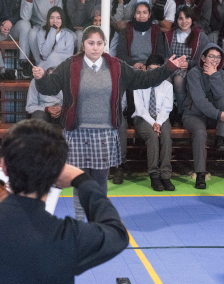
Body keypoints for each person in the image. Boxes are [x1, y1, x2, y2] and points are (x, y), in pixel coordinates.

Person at [33, 25, 185, 220]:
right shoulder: (70, 65)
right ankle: (81, 222)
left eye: (99, 43)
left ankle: (98, 220)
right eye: (91, 43)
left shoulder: (116, 66)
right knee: (80, 181)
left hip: (104, 133)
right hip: (76, 133)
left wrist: (169, 68)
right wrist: (42, 77)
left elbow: (145, 79)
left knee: (99, 182)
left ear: (104, 44)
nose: (95, 47)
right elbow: (49, 87)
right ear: (83, 45)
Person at [0, 118, 129, 284]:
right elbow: (117, 233)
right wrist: (82, 179)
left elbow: (10, 223)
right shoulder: (67, 237)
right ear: (57, 173)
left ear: (3, 166)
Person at [182, 43, 224, 189]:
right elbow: (199, 100)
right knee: (200, 133)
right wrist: (217, 114)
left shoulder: (221, 74)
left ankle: (220, 139)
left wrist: (214, 76)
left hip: (213, 117)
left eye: (218, 57)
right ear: (203, 58)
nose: (215, 60)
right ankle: (200, 174)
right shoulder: (194, 73)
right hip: (194, 115)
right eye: (212, 56)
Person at [156, 6, 209, 121]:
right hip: (171, 67)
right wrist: (168, 62)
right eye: (180, 18)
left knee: (178, 80)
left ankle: (181, 111)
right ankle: (166, 113)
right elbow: (162, 54)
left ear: (192, 19)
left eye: (187, 17)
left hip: (189, 68)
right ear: (176, 20)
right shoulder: (169, 35)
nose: (184, 21)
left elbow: (206, 58)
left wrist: (189, 64)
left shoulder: (200, 36)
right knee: (166, 80)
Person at [132, 54, 175, 191]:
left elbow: (167, 108)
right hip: (143, 117)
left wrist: (159, 122)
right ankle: (154, 175)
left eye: (157, 70)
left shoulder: (167, 85)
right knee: (152, 137)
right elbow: (140, 108)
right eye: (151, 69)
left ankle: (166, 175)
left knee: (166, 137)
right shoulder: (138, 83)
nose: (154, 73)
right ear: (145, 69)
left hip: (161, 117)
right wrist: (153, 123)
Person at [0, 0, 32, 79]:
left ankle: (24, 62)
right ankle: (2, 70)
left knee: (25, 24)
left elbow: (21, 14)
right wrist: (0, 26)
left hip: (14, 27)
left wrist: (11, 21)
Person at [117, 2, 159, 70]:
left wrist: (147, 66)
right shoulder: (125, 31)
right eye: (138, 13)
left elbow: (160, 53)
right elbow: (121, 54)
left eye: (145, 13)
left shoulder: (156, 31)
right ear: (134, 15)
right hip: (130, 68)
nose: (141, 16)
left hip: (151, 69)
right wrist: (134, 64)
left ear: (149, 15)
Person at [28, 0, 63, 70]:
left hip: (55, 25)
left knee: (73, 36)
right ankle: (40, 65)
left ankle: (59, 68)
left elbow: (60, 14)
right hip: (39, 25)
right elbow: (25, 17)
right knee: (32, 34)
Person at [37, 7, 74, 71]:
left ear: (62, 20)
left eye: (58, 18)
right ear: (48, 19)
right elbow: (44, 55)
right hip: (46, 66)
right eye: (52, 18)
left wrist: (54, 56)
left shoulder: (68, 36)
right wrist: (52, 31)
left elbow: (69, 57)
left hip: (62, 67)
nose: (55, 21)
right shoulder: (41, 33)